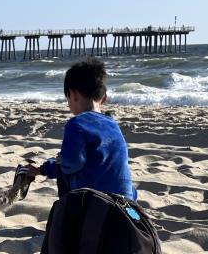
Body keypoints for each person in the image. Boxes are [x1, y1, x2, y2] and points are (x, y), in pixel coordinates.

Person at [22, 59, 136, 200]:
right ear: (104, 98)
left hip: (96, 203)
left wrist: (42, 169)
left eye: (68, 98)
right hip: (126, 201)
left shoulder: (77, 124)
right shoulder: (113, 124)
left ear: (73, 94)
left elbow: (70, 164)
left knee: (65, 167)